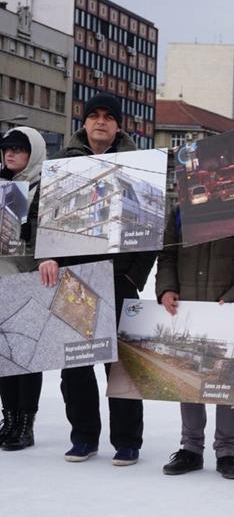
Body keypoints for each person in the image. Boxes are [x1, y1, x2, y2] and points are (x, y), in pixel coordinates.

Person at [38, 93, 156, 466]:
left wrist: (133, 274)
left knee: (121, 366)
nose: (101, 122)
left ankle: (127, 440)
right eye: (94, 116)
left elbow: (152, 223)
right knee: (76, 365)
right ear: (84, 122)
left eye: (108, 117)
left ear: (119, 125)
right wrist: (49, 257)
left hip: (119, 277)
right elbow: (44, 219)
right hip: (74, 278)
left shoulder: (139, 167)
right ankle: (84, 436)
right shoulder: (60, 166)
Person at [157, 205, 234, 479]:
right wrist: (167, 288)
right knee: (188, 376)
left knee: (226, 381)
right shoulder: (180, 211)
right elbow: (167, 254)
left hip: (228, 310)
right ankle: (191, 449)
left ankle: (226, 452)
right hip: (189, 308)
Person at [0, 126, 46, 451]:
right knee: (4, 354)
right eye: (6, 149)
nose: (10, 154)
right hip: (1, 277)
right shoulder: (1, 186)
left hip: (31, 278)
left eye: (19, 148)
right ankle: (10, 419)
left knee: (26, 355)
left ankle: (25, 423)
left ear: (35, 152)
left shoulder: (45, 187)